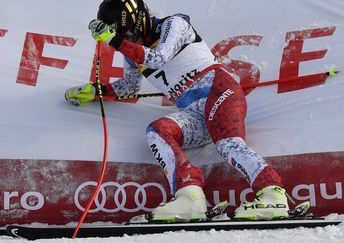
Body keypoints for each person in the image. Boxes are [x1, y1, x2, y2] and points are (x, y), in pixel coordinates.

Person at [65, 0, 289, 222]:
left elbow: (159, 57)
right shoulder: (131, 52)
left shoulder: (174, 24)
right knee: (158, 131)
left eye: (129, 35)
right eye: (124, 38)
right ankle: (190, 197)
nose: (129, 42)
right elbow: (129, 87)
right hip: (193, 110)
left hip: (218, 90)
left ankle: (272, 193)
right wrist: (96, 91)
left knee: (227, 143)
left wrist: (114, 40)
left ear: (139, 21)